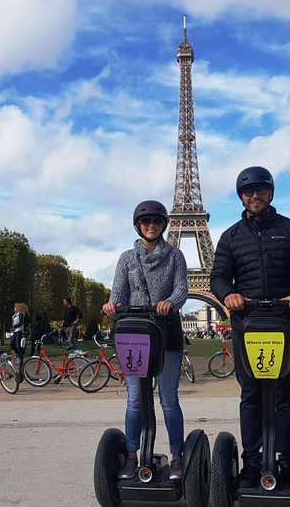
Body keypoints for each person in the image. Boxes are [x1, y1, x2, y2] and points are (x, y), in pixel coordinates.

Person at [210, 166, 290, 490]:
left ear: (270, 193)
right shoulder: (230, 236)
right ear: (241, 197)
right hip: (247, 325)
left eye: (260, 190)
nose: (254, 195)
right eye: (248, 191)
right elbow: (218, 275)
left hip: (286, 322)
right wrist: (227, 293)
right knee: (251, 395)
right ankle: (252, 462)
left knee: (286, 395)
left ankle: (289, 464)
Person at [103, 200, 189, 481]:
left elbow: (181, 290)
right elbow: (118, 292)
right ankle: (131, 456)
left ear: (163, 225)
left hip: (166, 333)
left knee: (168, 400)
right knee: (135, 401)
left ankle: (177, 456)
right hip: (136, 334)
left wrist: (170, 303)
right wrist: (112, 305)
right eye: (145, 222)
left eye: (156, 221)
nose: (150, 225)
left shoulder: (175, 256)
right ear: (138, 226)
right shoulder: (127, 258)